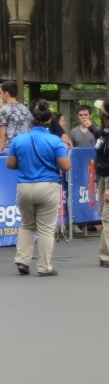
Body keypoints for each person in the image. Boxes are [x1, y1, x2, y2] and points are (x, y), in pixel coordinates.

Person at [6, 100, 70, 276]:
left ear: (31, 119)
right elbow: (65, 166)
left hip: (24, 186)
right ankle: (44, 267)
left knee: (27, 225)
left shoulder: (19, 139)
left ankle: (22, 261)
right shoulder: (54, 140)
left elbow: (10, 164)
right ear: (49, 120)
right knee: (46, 229)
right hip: (47, 186)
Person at [91, 100, 109, 267]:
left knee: (107, 216)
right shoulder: (102, 132)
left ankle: (106, 255)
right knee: (104, 212)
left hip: (108, 177)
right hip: (102, 176)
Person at [0, 80, 31, 154]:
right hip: (25, 149)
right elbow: (30, 129)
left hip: (10, 149)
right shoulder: (26, 109)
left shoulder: (4, 110)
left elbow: (2, 137)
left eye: (1, 93)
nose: (1, 96)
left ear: (6, 93)